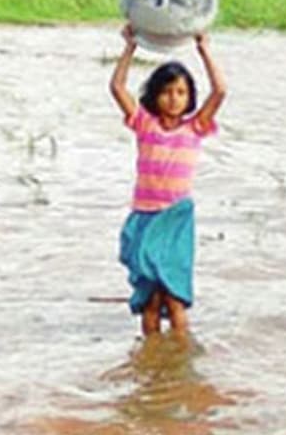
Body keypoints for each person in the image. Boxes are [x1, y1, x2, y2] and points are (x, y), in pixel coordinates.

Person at [109, 24, 226, 338]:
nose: (173, 99)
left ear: (189, 97)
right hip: (146, 215)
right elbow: (118, 88)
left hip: (176, 218)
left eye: (181, 92)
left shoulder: (195, 127)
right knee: (149, 300)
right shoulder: (145, 125)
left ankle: (180, 363)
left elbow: (220, 92)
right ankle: (153, 366)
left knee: (175, 299)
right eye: (166, 92)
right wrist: (130, 46)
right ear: (155, 95)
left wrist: (204, 49)